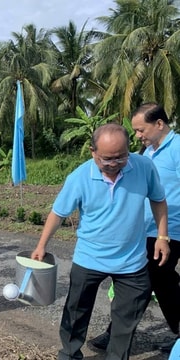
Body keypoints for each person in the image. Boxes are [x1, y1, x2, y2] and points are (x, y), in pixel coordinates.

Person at [30, 123, 170, 360]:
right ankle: (70, 353)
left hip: (131, 261)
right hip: (90, 257)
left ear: (129, 150)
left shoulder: (144, 167)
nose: (113, 164)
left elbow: (158, 200)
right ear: (93, 151)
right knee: (76, 311)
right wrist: (42, 245)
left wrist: (162, 236)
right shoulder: (79, 177)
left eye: (120, 157)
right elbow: (58, 213)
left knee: (126, 320)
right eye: (107, 159)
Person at [89, 104, 180, 353]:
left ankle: (116, 335)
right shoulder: (148, 153)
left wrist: (165, 232)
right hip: (144, 230)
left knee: (143, 282)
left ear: (159, 124)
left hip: (169, 231)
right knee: (160, 283)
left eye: (141, 129)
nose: (138, 135)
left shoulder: (177, 148)